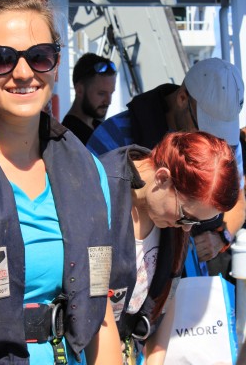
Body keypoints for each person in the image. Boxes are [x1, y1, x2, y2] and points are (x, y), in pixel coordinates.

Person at [0, 0, 122, 365]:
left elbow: (98, 314)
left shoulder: (89, 173)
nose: (23, 73)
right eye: (1, 58)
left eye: (39, 56)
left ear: (54, 66)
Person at [88, 58, 246, 277]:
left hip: (190, 282)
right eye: (203, 129)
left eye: (219, 134)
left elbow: (238, 199)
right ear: (182, 98)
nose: (209, 143)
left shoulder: (225, 147)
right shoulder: (113, 137)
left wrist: (221, 236)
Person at [100, 131, 240, 364]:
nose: (186, 229)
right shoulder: (100, 189)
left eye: (195, 223)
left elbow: (167, 297)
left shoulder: (171, 224)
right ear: (163, 178)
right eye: (186, 217)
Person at [62, 53, 117, 144]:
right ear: (79, 90)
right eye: (101, 93)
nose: (108, 101)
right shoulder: (69, 138)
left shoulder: (100, 128)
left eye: (111, 93)